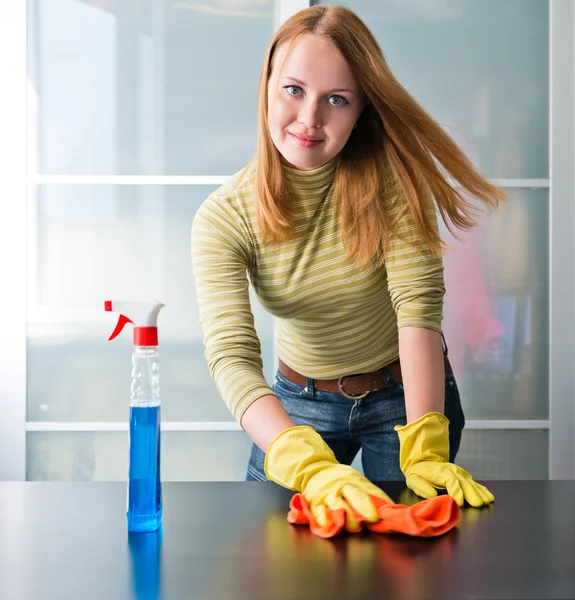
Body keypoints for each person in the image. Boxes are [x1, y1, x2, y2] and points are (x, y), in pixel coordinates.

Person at [191, 4, 505, 532]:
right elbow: (231, 356)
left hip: (406, 399)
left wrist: (425, 440)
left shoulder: (394, 184)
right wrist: (305, 462)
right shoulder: (224, 218)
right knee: (273, 565)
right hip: (298, 406)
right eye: (293, 89)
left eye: (337, 99)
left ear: (361, 110)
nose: (310, 118)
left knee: (416, 559)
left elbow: (417, 310)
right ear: (267, 84)